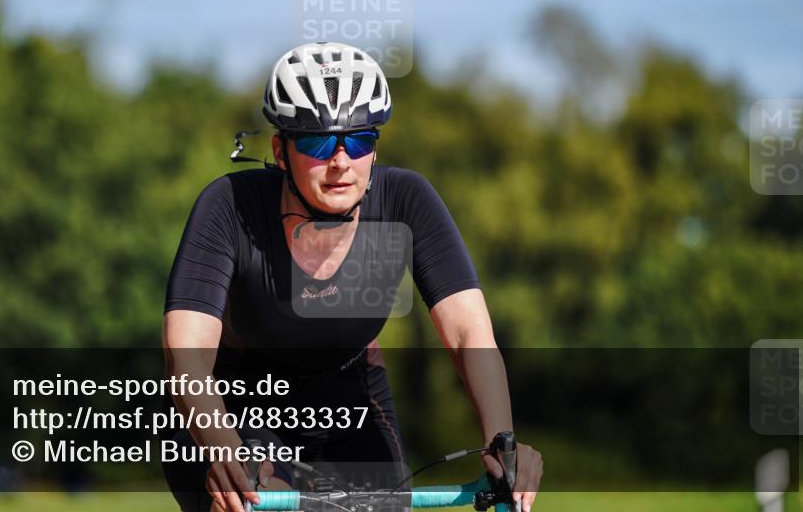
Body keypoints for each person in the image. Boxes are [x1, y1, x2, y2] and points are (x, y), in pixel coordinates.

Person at [162, 42, 542, 512]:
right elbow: (187, 356)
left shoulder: (406, 200)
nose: (341, 161)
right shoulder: (229, 205)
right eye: (318, 143)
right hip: (234, 398)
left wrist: (502, 441)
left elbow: (468, 335)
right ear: (280, 150)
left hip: (348, 392)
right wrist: (224, 450)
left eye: (359, 140)